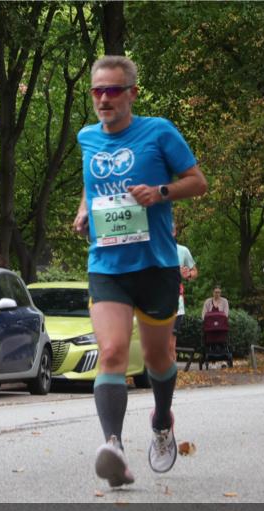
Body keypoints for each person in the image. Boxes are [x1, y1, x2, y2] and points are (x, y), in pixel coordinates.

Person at [72, 55, 207, 488]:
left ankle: (162, 421)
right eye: (98, 91)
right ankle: (114, 447)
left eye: (113, 90)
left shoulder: (159, 132)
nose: (104, 99)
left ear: (131, 93)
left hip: (156, 265)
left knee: (156, 358)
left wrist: (160, 192)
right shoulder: (87, 138)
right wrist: (82, 211)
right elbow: (91, 183)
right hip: (107, 265)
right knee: (111, 352)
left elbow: (197, 181)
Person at [172, 228, 198, 361]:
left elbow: (194, 272)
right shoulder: (153, 249)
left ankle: (170, 375)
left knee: (171, 341)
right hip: (155, 302)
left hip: (176, 303)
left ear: (174, 231)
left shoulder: (183, 251)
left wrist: (188, 275)